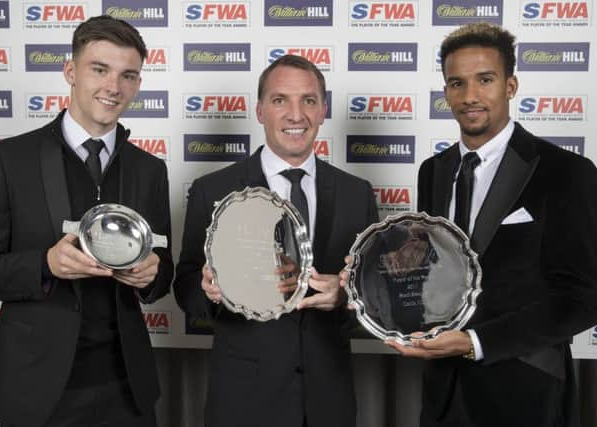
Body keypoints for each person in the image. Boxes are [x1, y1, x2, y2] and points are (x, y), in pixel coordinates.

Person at [380, 22, 597, 427]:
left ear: (511, 85)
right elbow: (435, 274)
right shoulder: (434, 171)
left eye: (485, 80)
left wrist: (476, 342)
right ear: (445, 91)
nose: (470, 96)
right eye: (456, 83)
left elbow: (583, 297)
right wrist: (377, 276)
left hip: (525, 389)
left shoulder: (565, 171)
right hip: (444, 389)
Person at [174, 54, 378, 427]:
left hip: (327, 401)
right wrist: (209, 290)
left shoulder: (357, 193)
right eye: (280, 100)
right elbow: (185, 289)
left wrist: (345, 297)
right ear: (259, 110)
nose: (295, 115)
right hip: (243, 401)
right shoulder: (213, 189)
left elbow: (376, 298)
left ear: (323, 111)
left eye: (309, 101)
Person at [0, 15, 173, 427]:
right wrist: (45, 265)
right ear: (70, 71)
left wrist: (150, 275)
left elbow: (163, 275)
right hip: (37, 389)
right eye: (100, 69)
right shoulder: (10, 160)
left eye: (128, 75)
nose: (114, 87)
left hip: (127, 389)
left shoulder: (150, 170)